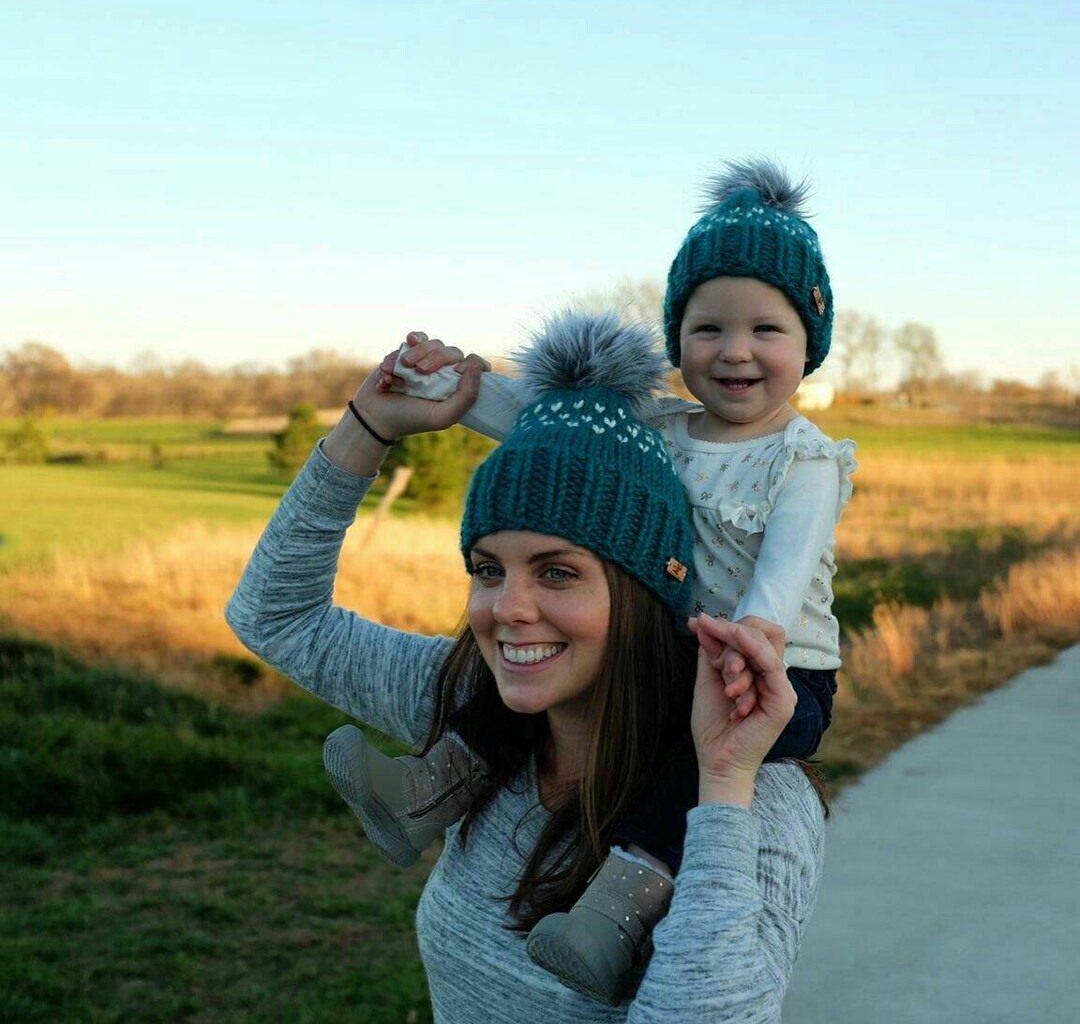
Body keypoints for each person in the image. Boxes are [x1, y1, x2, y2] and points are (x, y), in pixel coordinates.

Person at [326, 158, 856, 1002]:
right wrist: (454, 387)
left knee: (686, 758)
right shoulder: (662, 423)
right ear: (677, 336)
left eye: (767, 330)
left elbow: (785, 571)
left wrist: (751, 638)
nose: (735, 352)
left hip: (778, 669)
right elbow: (545, 423)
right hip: (676, 651)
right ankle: (431, 787)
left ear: (812, 343)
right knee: (522, 687)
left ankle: (615, 913)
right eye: (708, 328)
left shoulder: (805, 460)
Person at [225, 310, 826, 1022]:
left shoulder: (750, 804)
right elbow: (274, 616)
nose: (507, 608)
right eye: (487, 569)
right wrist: (369, 424)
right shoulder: (471, 706)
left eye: (557, 573)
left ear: (643, 588)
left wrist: (723, 784)